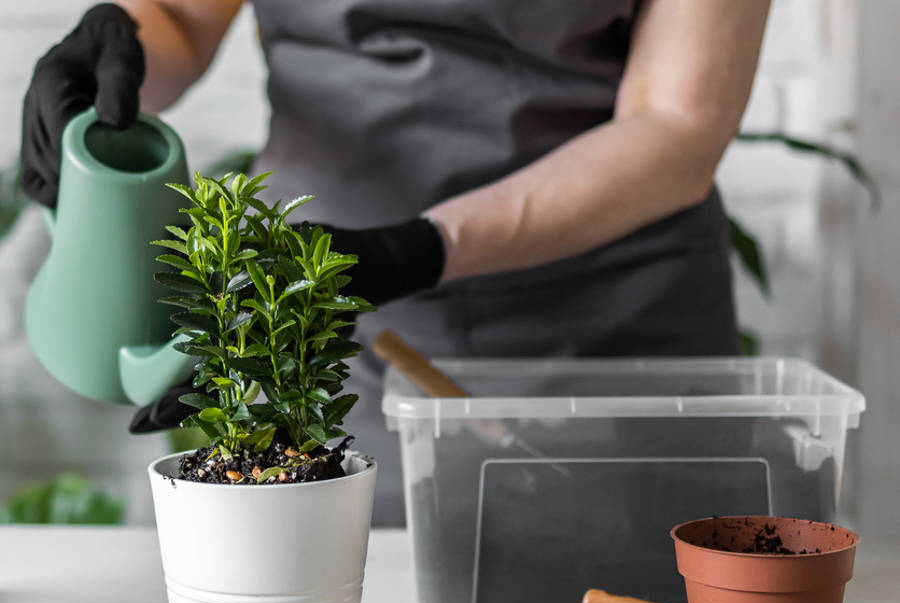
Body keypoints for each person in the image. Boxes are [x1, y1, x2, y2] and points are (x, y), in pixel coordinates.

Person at [21, 0, 772, 525]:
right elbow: (183, 13)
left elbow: (677, 123)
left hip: (611, 334)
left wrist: (419, 249)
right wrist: (120, 46)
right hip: (324, 334)